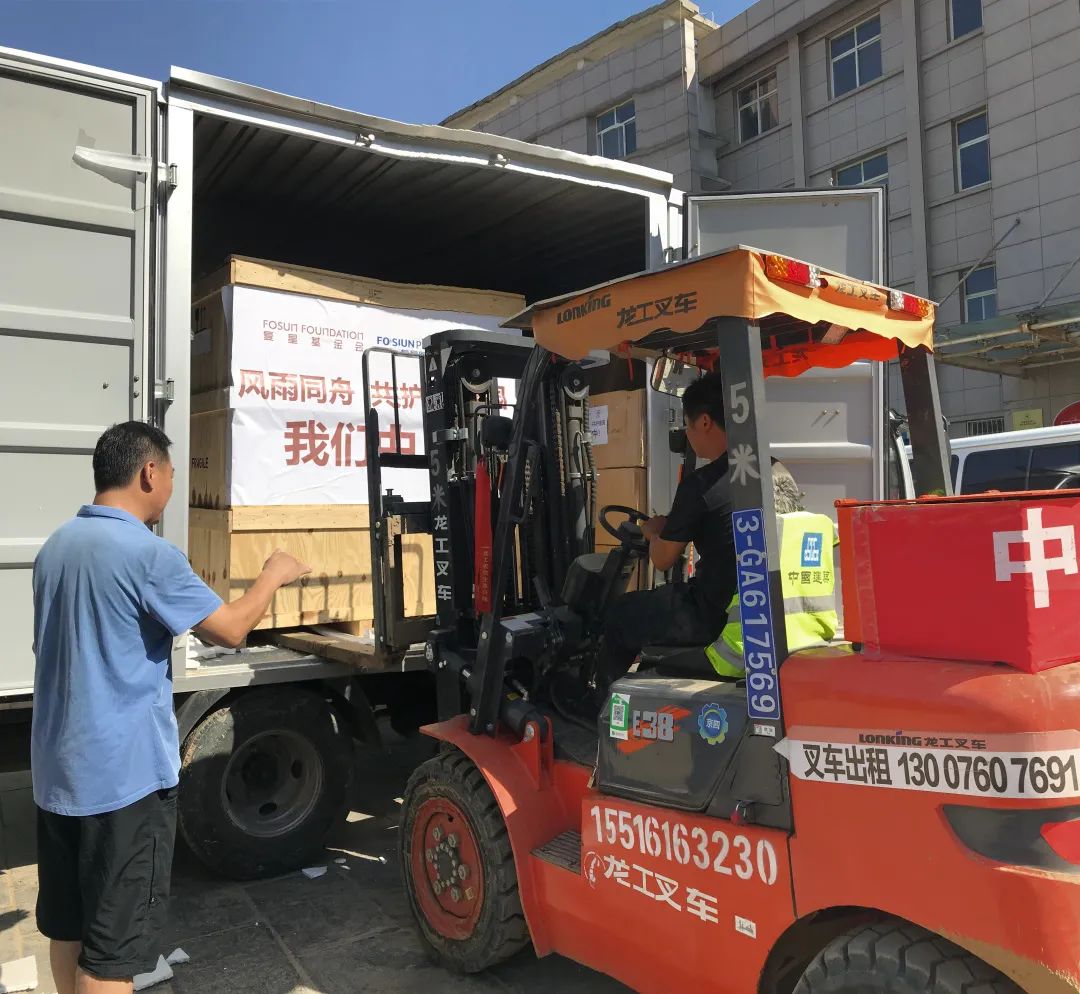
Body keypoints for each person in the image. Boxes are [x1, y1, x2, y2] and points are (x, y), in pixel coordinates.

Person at [31, 422, 310, 994]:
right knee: (112, 956)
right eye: (172, 477)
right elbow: (229, 630)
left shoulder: (56, 546)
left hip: (58, 777)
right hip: (123, 784)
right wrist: (273, 576)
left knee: (69, 927)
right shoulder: (148, 554)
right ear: (149, 472)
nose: (172, 490)